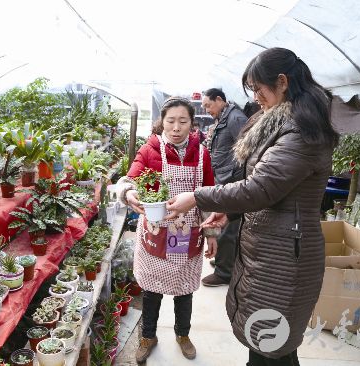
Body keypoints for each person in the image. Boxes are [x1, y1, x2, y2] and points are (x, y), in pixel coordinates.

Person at [165, 47, 339, 365]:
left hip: (285, 254)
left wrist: (199, 196)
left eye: (258, 89)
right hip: (274, 248)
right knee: (274, 345)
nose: (256, 97)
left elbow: (260, 188)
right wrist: (229, 210)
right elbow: (271, 188)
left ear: (282, 82)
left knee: (270, 345)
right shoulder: (284, 120)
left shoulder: (300, 131)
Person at [117, 97, 219, 363]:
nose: (176, 127)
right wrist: (128, 193)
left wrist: (211, 233)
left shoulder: (202, 154)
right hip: (156, 230)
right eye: (170, 121)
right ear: (162, 122)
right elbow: (130, 178)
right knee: (152, 290)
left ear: (191, 123)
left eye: (182, 121)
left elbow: (209, 195)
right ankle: (148, 336)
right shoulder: (151, 149)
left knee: (184, 289)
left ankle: (182, 334)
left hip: (189, 233)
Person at [201, 88, 248, 287]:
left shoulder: (236, 118)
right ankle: (223, 262)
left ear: (219, 99)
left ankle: (224, 272)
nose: (207, 109)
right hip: (224, 178)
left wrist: (237, 178)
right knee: (223, 224)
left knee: (228, 227)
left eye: (208, 105)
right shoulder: (225, 117)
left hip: (231, 179)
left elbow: (247, 150)